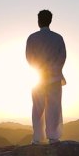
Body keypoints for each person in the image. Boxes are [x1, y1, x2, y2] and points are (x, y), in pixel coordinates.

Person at [25, 10, 66, 144]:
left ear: (38, 21)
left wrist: (39, 68)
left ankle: (37, 138)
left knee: (37, 108)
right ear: (50, 20)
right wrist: (54, 70)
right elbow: (62, 57)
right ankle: (53, 137)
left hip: (38, 78)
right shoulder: (58, 38)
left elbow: (29, 57)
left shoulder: (32, 37)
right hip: (54, 78)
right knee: (54, 107)